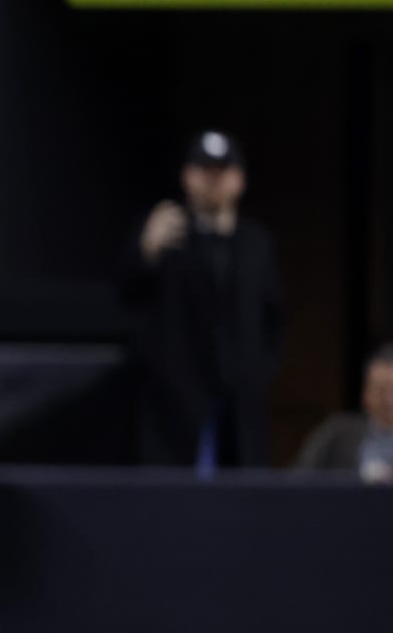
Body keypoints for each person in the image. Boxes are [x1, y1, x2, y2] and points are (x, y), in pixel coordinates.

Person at [121, 131, 283, 470]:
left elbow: (273, 319)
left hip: (239, 401)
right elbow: (128, 298)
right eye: (203, 170)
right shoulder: (167, 232)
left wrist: (256, 372)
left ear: (239, 179)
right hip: (177, 400)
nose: (212, 180)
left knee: (240, 495)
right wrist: (145, 251)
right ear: (186, 176)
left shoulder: (256, 242)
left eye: (221, 171)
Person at [294, 345, 393, 483]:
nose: (389, 399)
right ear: (366, 395)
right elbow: (298, 479)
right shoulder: (338, 433)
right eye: (382, 390)